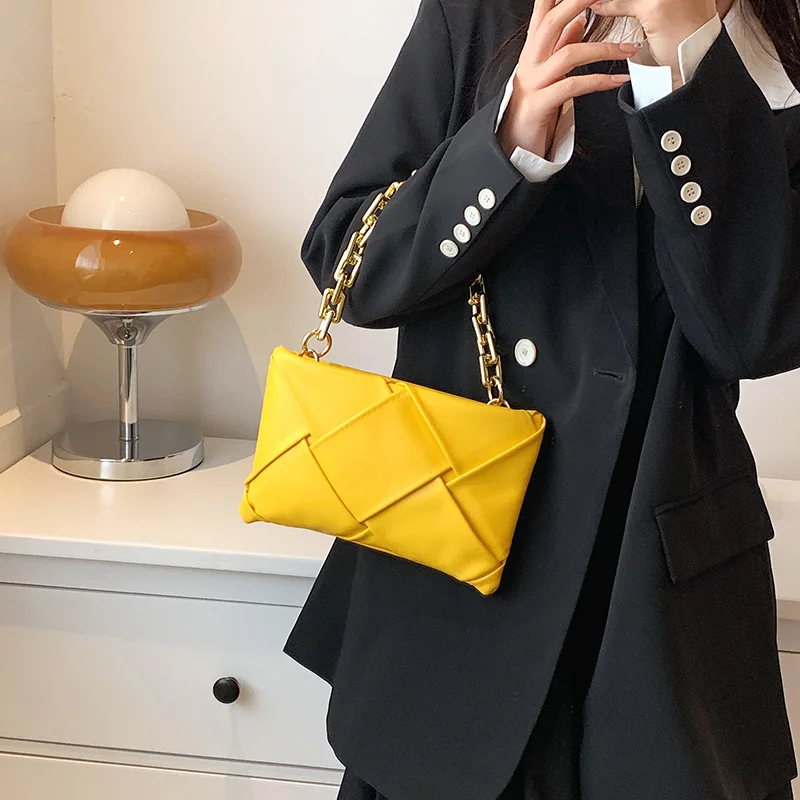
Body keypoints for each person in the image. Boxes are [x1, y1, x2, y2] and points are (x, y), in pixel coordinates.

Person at [282, 0, 800, 797]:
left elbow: (753, 337)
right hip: (461, 561)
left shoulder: (775, 42)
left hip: (657, 597)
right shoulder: (485, 14)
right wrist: (507, 142)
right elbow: (350, 263)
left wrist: (689, 57)